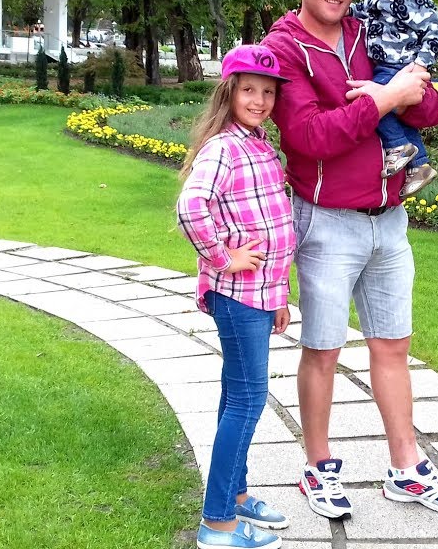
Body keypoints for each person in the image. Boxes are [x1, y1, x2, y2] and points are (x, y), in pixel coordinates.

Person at [261, 0, 438, 520]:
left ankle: (406, 469)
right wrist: (385, 98)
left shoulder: (370, 29)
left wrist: (400, 95)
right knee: (323, 350)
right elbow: (311, 137)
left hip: (390, 219)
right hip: (327, 223)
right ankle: (318, 466)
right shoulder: (284, 48)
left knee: (393, 346)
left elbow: (431, 109)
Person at [176, 44, 296, 549]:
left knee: (235, 396)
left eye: (268, 92)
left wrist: (279, 296)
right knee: (247, 401)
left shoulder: (260, 144)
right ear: (229, 93)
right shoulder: (223, 148)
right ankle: (218, 523)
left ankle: (237, 493)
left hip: (260, 295)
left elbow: (272, 225)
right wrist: (223, 259)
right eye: (249, 90)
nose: (259, 100)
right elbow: (191, 207)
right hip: (237, 294)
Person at [351, 0, 438, 197]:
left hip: (403, 67)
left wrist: (422, 65)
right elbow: (359, 10)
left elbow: (434, 36)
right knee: (395, 112)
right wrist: (344, 10)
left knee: (375, 101)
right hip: (381, 64)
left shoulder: (421, 6)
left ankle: (397, 146)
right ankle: (420, 165)